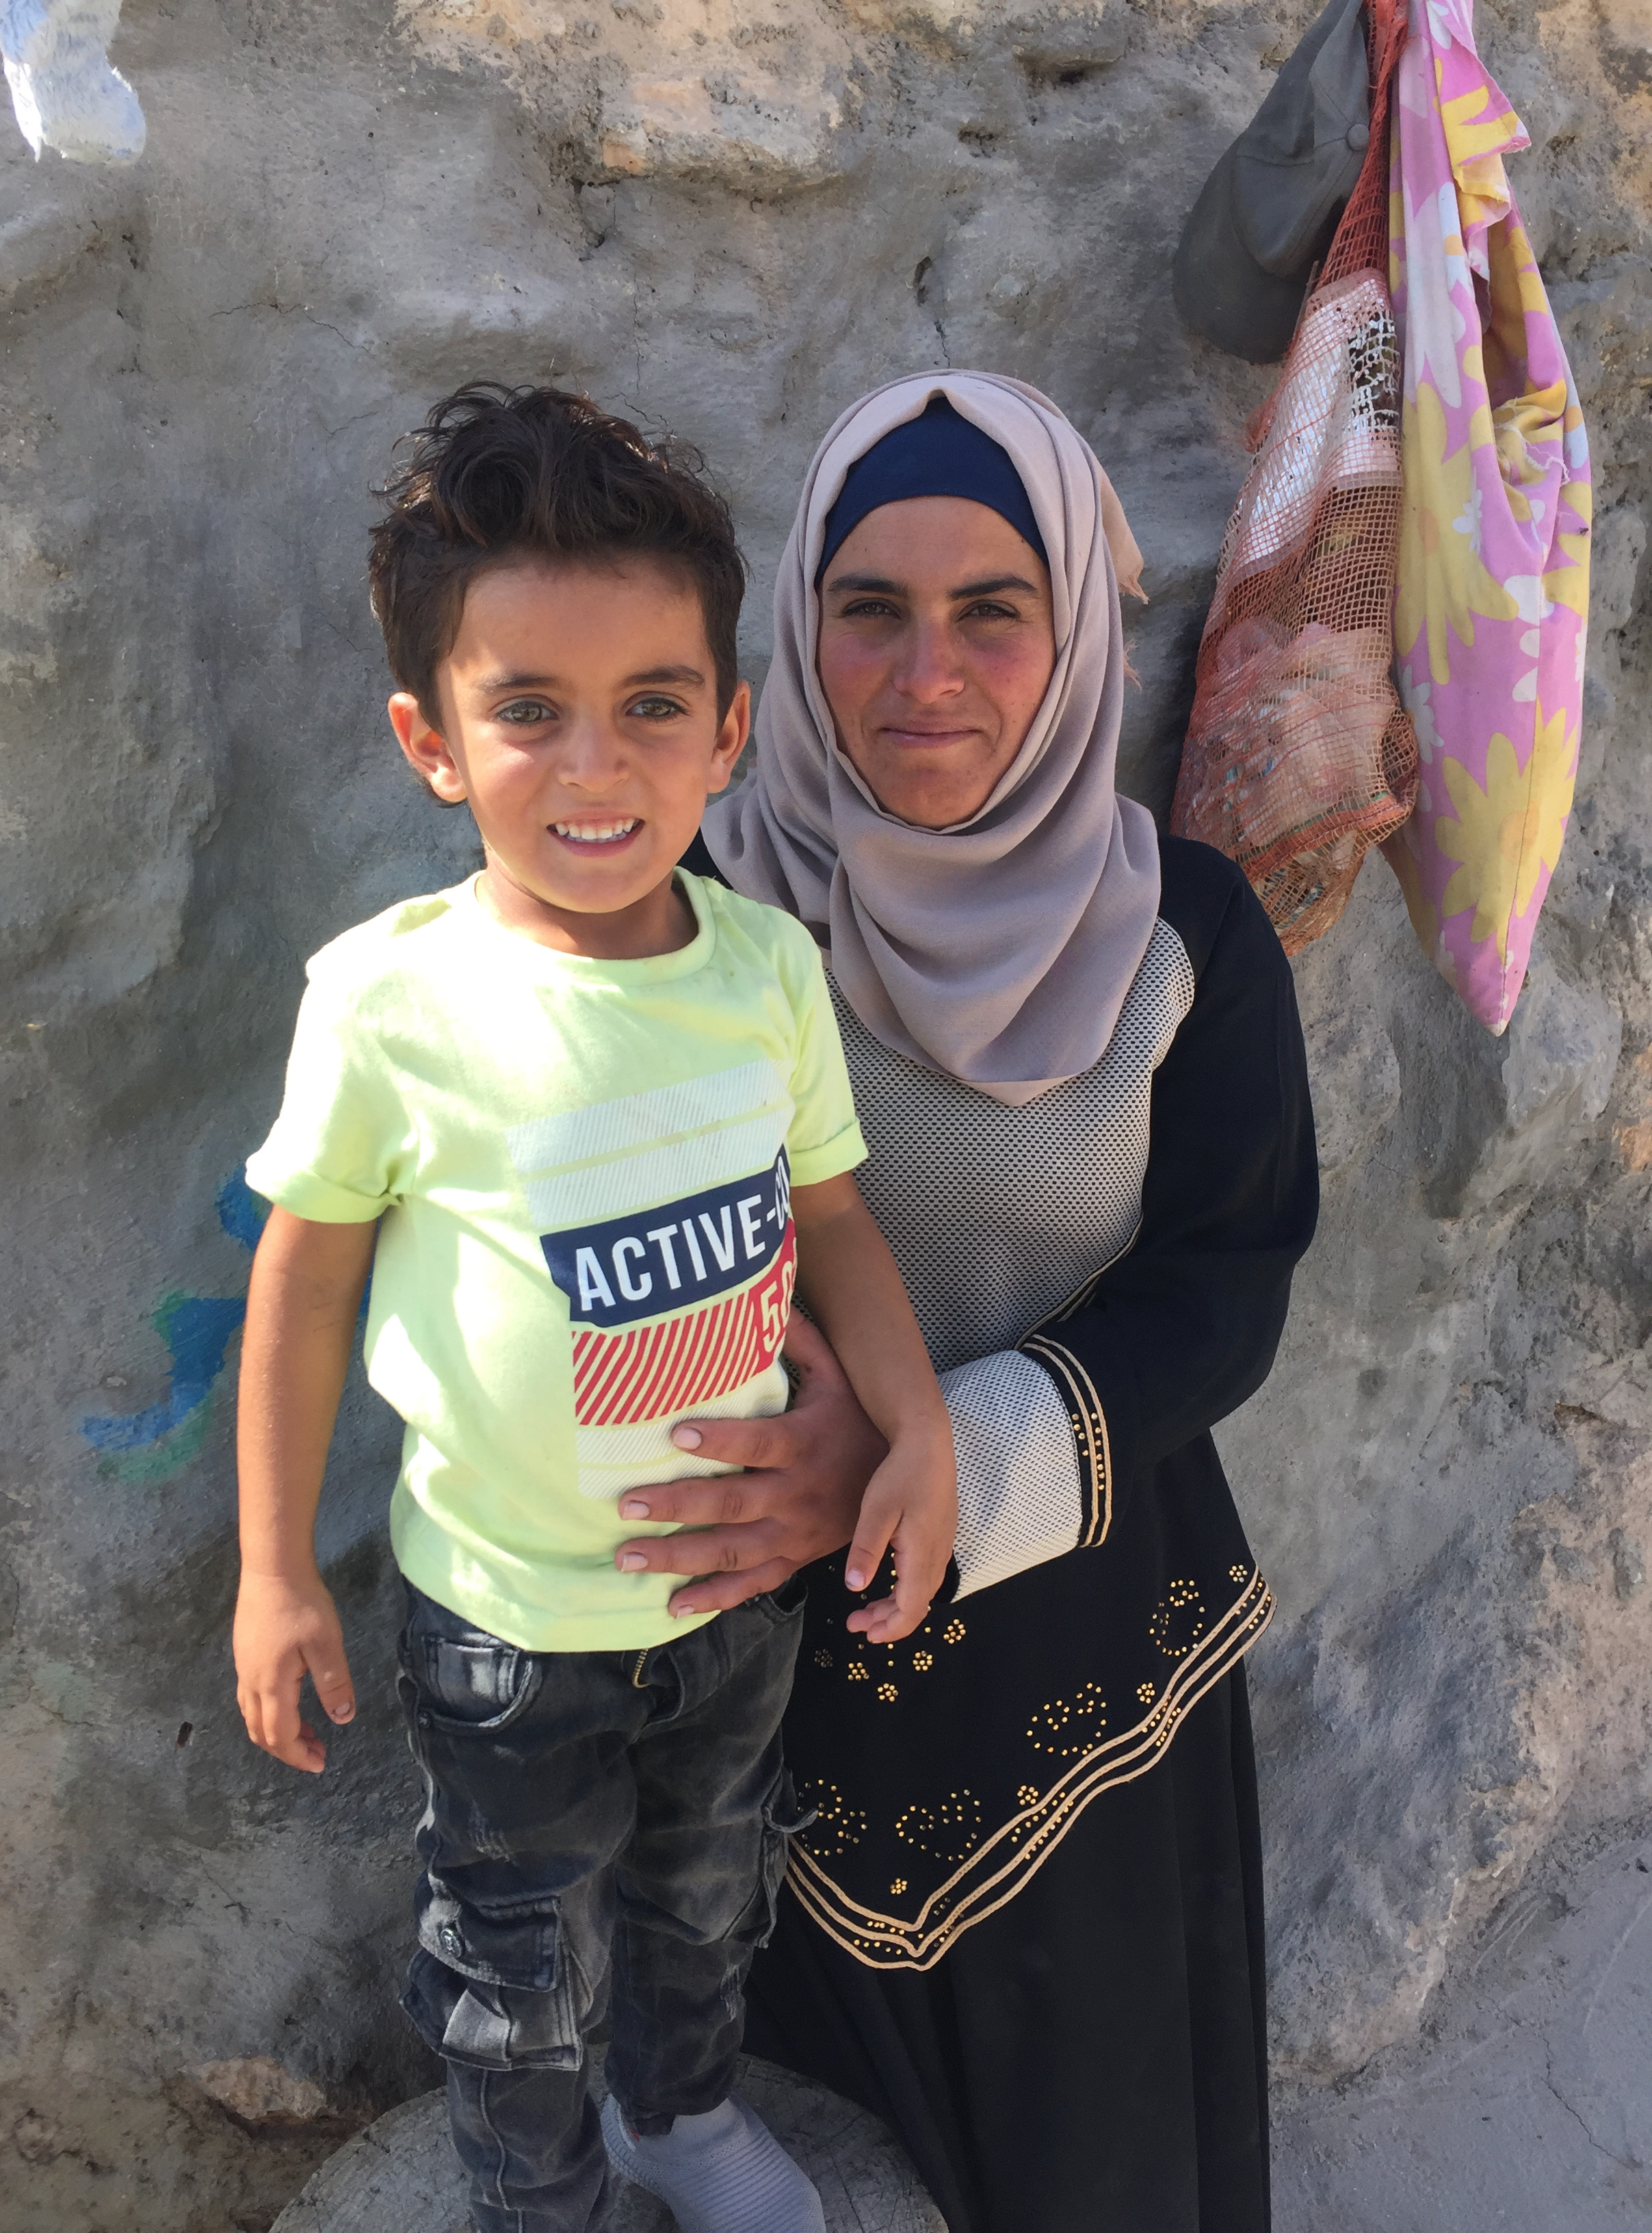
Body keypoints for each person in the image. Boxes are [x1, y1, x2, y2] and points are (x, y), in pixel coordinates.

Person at [229, 383, 957, 2233]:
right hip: (504, 1629)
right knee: (516, 1963)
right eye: (526, 713)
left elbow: (839, 1222)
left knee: (710, 1892)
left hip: (734, 1598)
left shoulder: (767, 973)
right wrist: (273, 1567)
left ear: (727, 729)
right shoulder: (394, 1005)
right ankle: (534, 2194)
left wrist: (919, 1424)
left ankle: (679, 2115)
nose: (594, 768)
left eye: (649, 707)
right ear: (432, 742)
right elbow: (303, 1279)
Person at [609, 371, 1320, 2233]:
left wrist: (944, 1447)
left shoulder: (1189, 940)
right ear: (800, 628)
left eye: (993, 609)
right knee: (812, 2118)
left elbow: (1225, 1291)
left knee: (1098, 2147)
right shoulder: (692, 914)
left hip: (1084, 1648)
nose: (929, 669)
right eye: (874, 609)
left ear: (1075, 629)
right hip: (766, 1651)